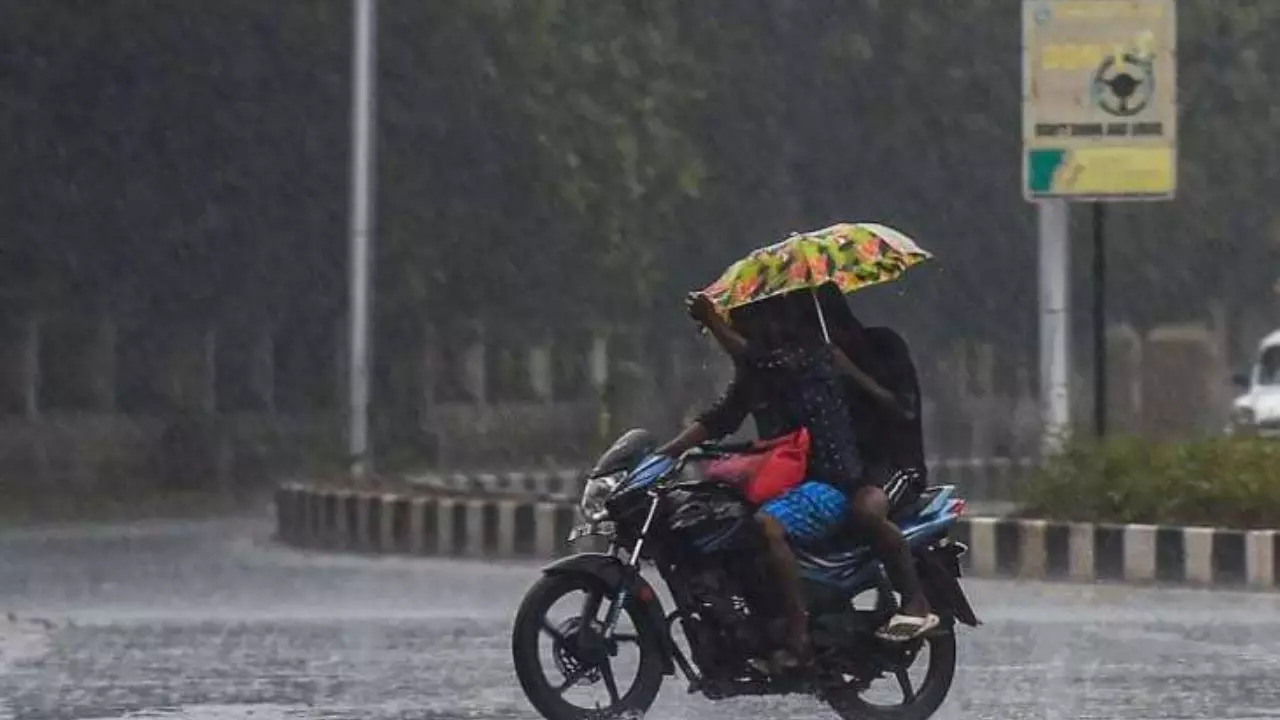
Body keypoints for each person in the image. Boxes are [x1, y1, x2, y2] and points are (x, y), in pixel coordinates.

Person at [655, 291, 864, 672]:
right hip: (784, 483)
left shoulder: (806, 356)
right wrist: (663, 454)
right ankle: (755, 620)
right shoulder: (760, 373)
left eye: (745, 318)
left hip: (828, 483)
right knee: (719, 520)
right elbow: (722, 417)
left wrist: (713, 322)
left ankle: (798, 634)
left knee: (768, 524)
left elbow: (761, 362)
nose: (740, 326)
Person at [813, 284, 937, 640]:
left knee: (867, 511)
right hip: (851, 470)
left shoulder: (885, 345)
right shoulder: (816, 362)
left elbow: (903, 407)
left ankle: (915, 602)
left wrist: (850, 371)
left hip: (896, 466)